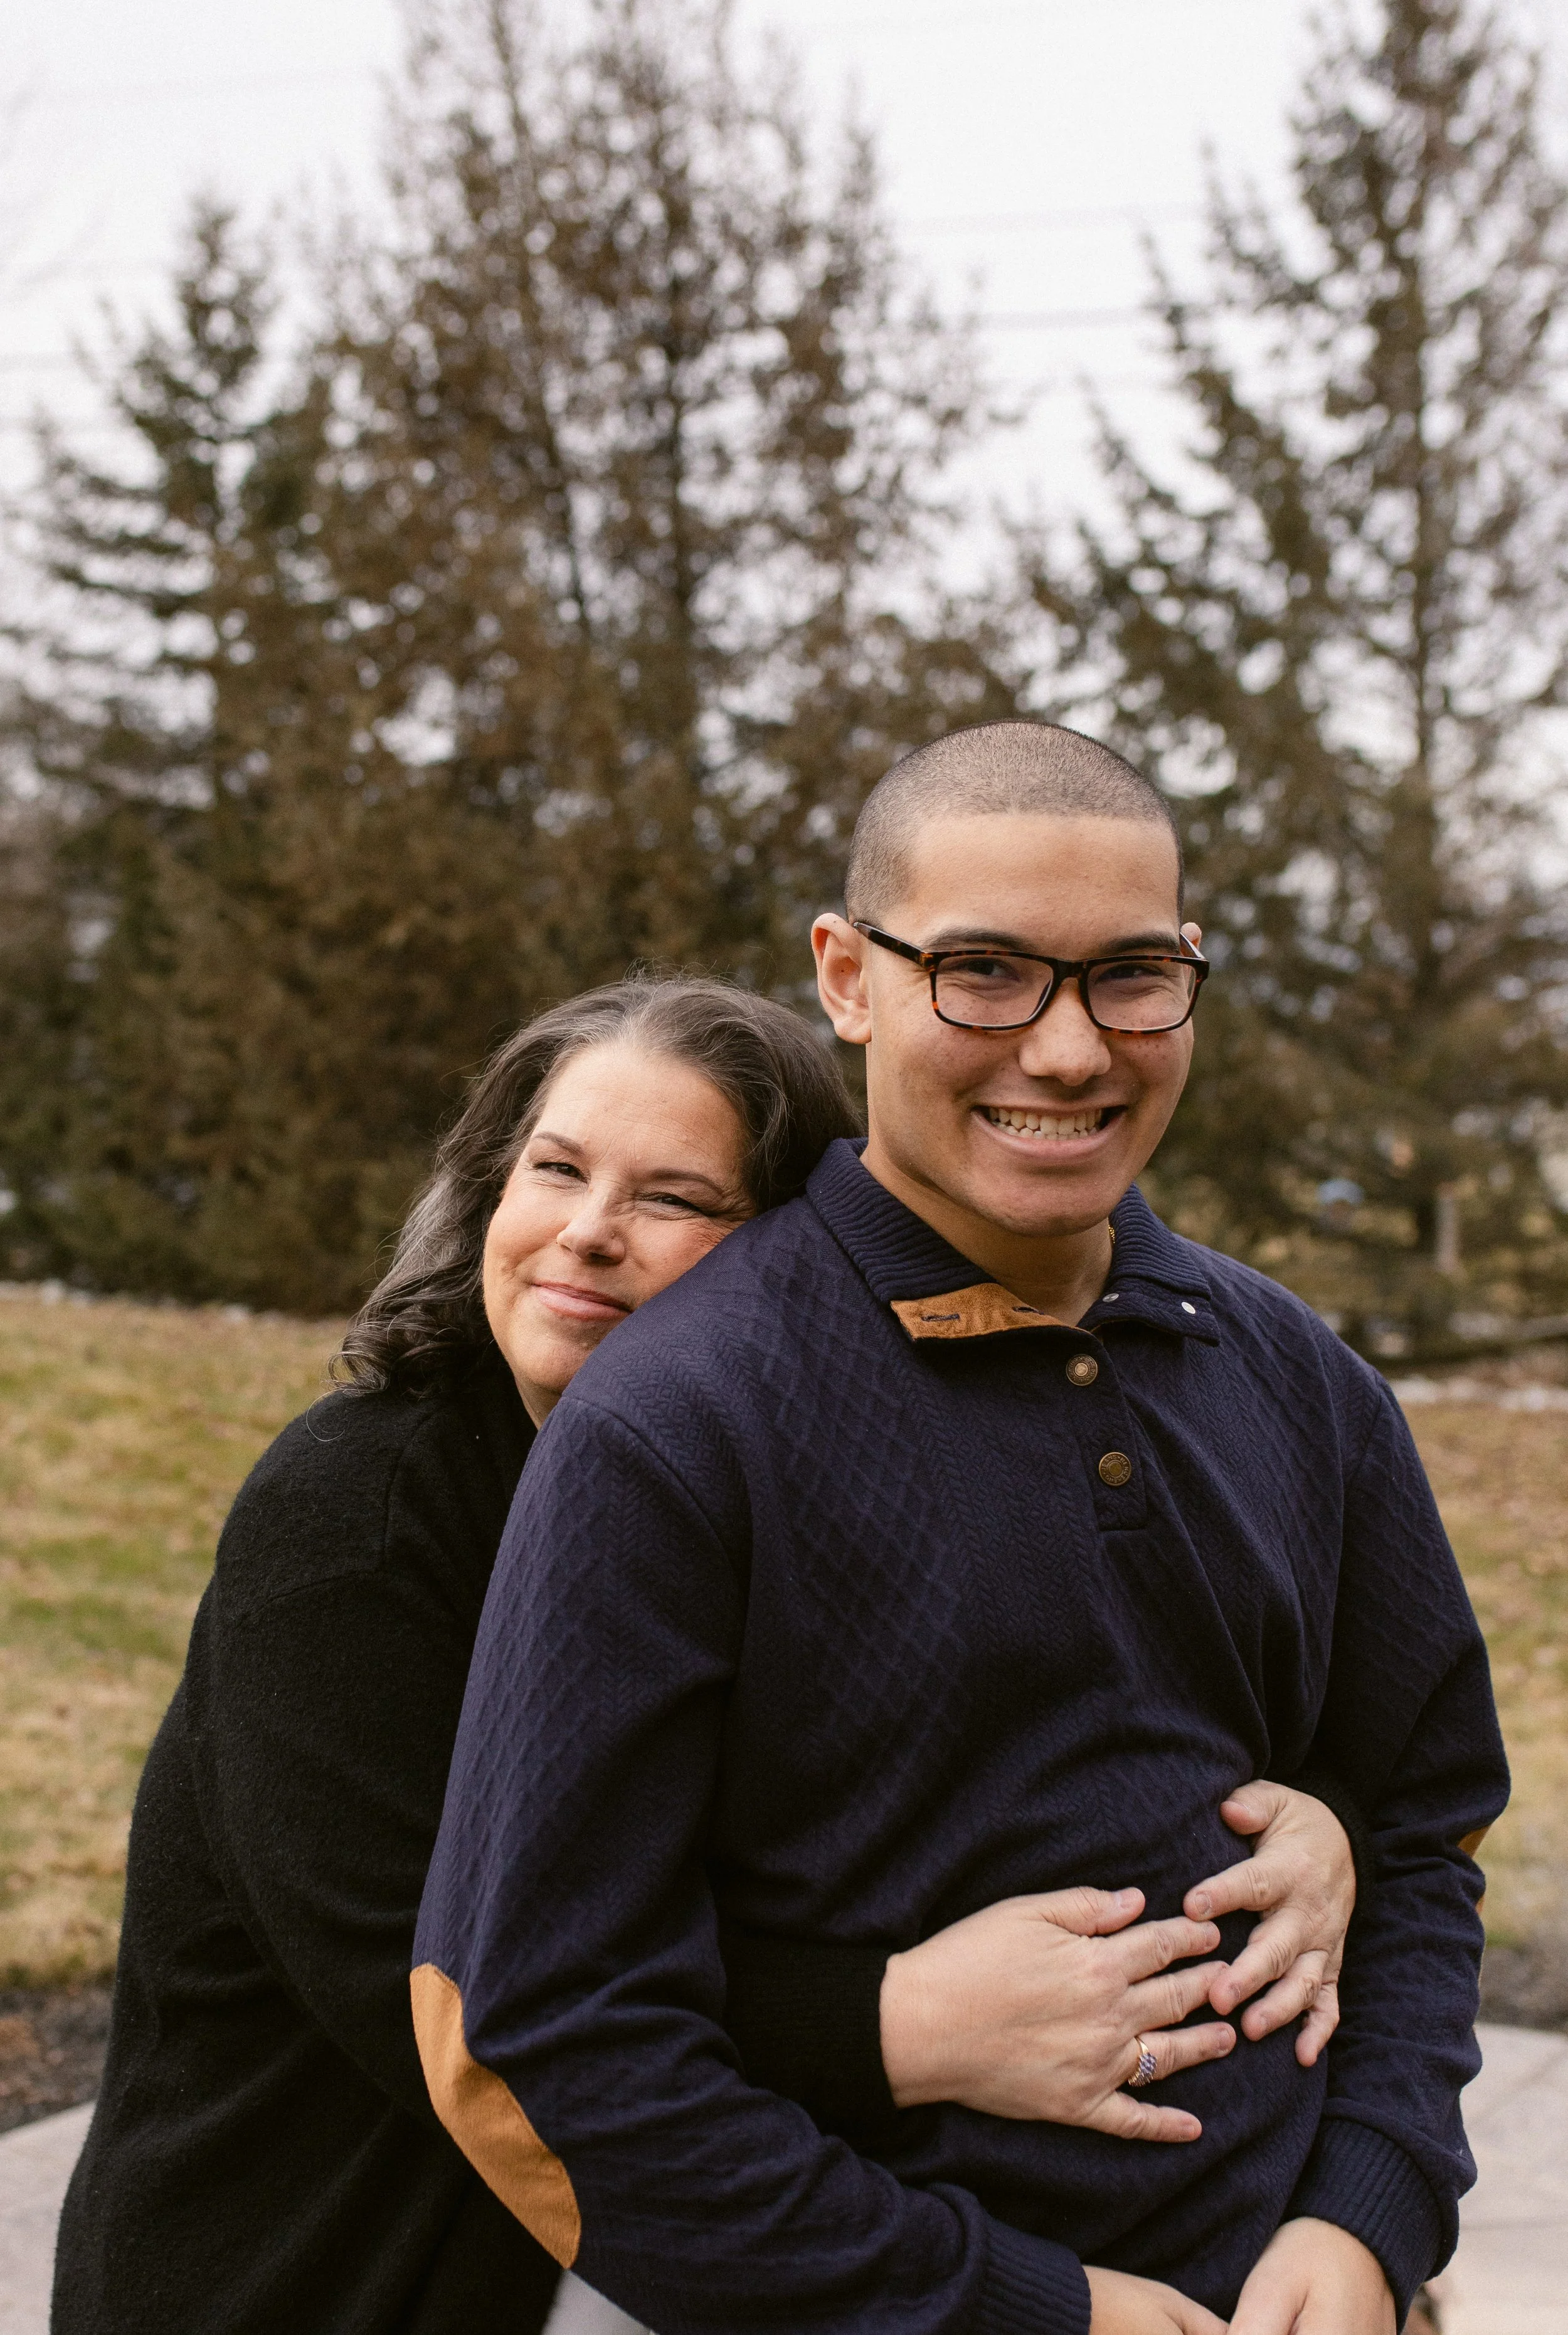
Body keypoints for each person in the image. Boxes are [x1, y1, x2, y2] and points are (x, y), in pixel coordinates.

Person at [53, 973, 1361, 2335]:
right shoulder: (356, 1523)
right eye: (554, 1169)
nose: (589, 1233)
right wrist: (896, 2020)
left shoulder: (770, 1480)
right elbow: (461, 2007)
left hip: (659, 2255)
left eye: (674, 1198)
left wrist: (1326, 1829)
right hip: (335, 2269)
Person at [414, 725, 1510, 2335]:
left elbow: (1417, 1831)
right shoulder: (680, 1422)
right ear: (847, 977)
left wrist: (1365, 2213)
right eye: (984, 971)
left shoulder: (1299, 1380)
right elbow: (543, 2037)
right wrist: (1030, 2308)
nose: (1068, 1051)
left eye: (1132, 974)